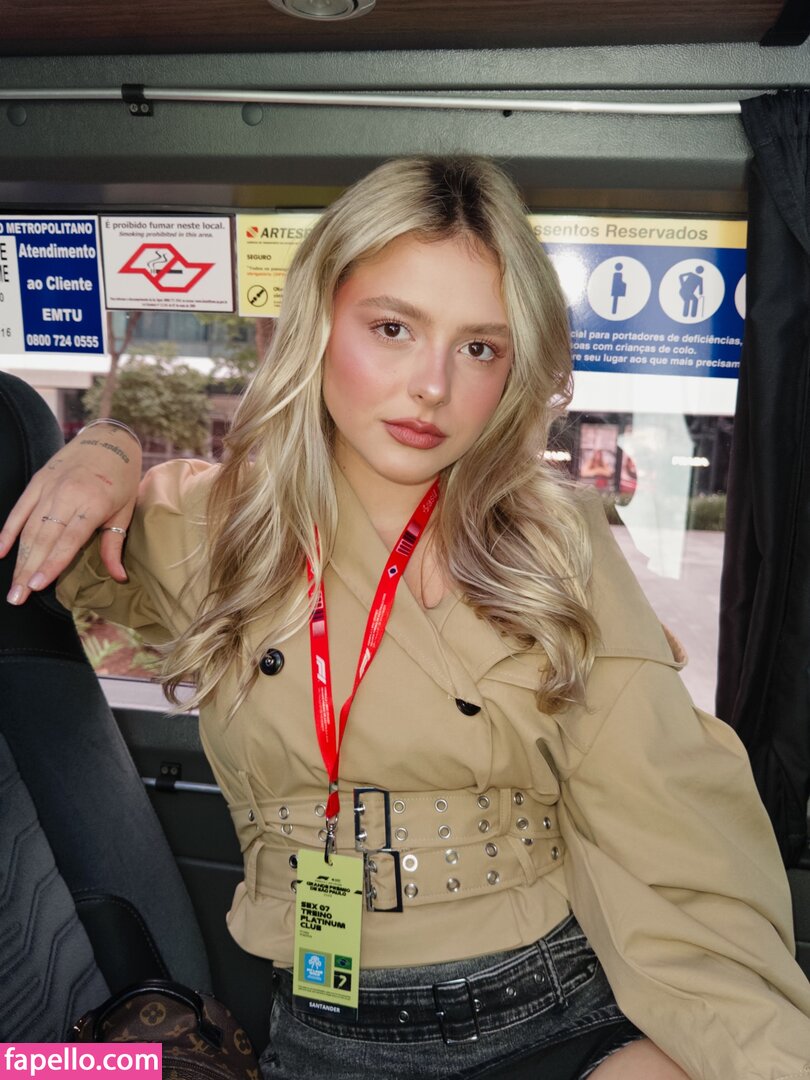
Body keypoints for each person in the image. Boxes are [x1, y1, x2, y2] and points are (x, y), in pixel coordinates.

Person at [2, 157, 809, 1080]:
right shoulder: (209, 525)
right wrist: (102, 447)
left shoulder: (556, 543)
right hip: (330, 1033)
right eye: (393, 328)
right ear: (318, 322)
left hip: (553, 1006)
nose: (433, 385)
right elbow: (51, 573)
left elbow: (672, 823)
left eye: (480, 348)